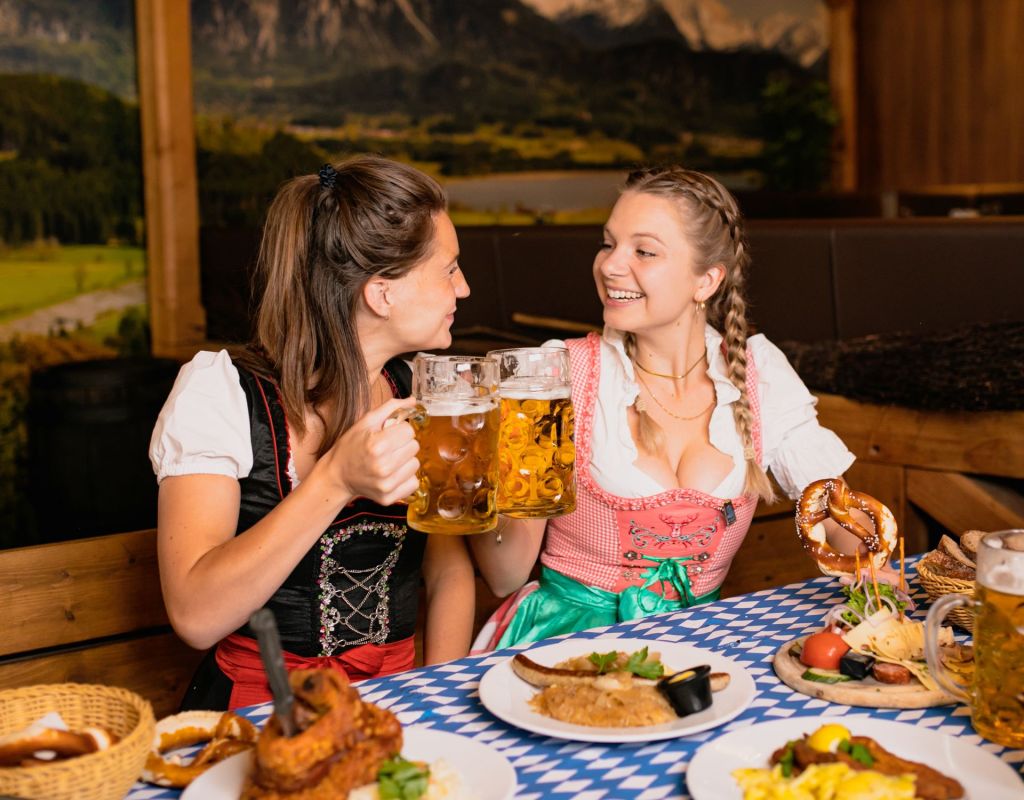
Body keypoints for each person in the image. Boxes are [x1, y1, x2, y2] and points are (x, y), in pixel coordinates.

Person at [470, 166, 856, 651]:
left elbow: (838, 517)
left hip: (698, 647)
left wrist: (875, 576)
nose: (610, 265)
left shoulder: (757, 372)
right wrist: (485, 475)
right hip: (563, 645)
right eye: (608, 244)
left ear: (706, 280)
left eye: (644, 251)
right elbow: (505, 576)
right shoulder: (556, 374)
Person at [149, 156, 476, 709]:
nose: (463, 289)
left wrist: (434, 705)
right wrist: (334, 481)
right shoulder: (220, 394)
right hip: (260, 708)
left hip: (397, 701)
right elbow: (195, 615)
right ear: (382, 293)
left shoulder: (421, 392)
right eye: (449, 269)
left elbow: (449, 576)